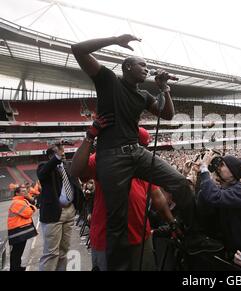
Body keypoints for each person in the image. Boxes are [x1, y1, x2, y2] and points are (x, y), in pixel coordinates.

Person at [72, 34, 194, 270]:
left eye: (148, 66)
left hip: (136, 152)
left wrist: (164, 88)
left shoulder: (144, 95)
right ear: (127, 67)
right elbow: (77, 49)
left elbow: (167, 115)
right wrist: (115, 40)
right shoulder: (108, 80)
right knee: (116, 223)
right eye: (142, 65)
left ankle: (192, 231)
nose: (146, 69)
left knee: (180, 182)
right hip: (112, 157)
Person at [70, 124, 177, 271]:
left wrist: (173, 223)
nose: (142, 151)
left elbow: (157, 196)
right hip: (107, 240)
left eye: (144, 147)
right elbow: (76, 170)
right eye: (141, 146)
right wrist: (90, 137)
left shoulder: (145, 164)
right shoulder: (103, 157)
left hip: (141, 237)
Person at [197, 152, 241, 256]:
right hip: (232, 249)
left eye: (222, 165)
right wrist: (210, 179)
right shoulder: (225, 189)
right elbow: (204, 203)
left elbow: (214, 197)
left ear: (233, 170)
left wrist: (204, 168)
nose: (218, 168)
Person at [37, 143, 83, 271]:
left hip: (69, 211)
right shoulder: (44, 167)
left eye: (63, 151)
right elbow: (42, 174)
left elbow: (76, 184)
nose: (63, 153)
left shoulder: (67, 166)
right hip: (54, 214)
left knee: (64, 251)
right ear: (51, 156)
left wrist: (77, 205)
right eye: (59, 152)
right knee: (51, 253)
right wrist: (56, 159)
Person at [8, 186, 38, 271]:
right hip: (17, 230)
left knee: (18, 251)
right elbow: (28, 213)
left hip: (19, 230)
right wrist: (32, 208)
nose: (26, 192)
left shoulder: (21, 200)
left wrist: (31, 206)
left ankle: (17, 267)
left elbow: (32, 204)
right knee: (17, 251)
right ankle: (14, 269)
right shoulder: (17, 202)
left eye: (26, 191)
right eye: (23, 191)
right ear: (17, 193)